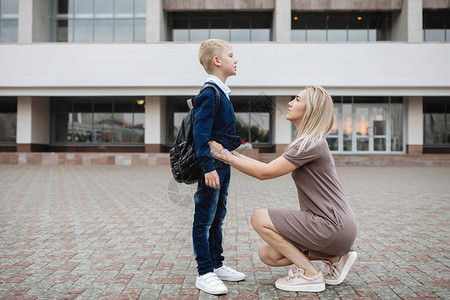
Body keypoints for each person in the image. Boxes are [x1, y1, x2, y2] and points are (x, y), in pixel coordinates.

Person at [209, 85, 358, 293]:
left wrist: (224, 156)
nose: (290, 103)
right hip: (337, 228)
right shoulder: (310, 142)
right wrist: (228, 152)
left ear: (311, 110)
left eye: (297, 99)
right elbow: (264, 168)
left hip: (331, 225)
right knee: (268, 254)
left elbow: (265, 172)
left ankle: (309, 274)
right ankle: (334, 257)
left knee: (259, 218)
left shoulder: (310, 143)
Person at [192, 39, 245, 295]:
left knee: (218, 217)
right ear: (217, 61)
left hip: (223, 165)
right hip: (213, 167)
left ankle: (217, 264)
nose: (236, 60)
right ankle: (204, 272)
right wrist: (207, 167)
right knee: (204, 219)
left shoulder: (222, 92)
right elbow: (199, 135)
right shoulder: (209, 93)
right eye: (231, 55)